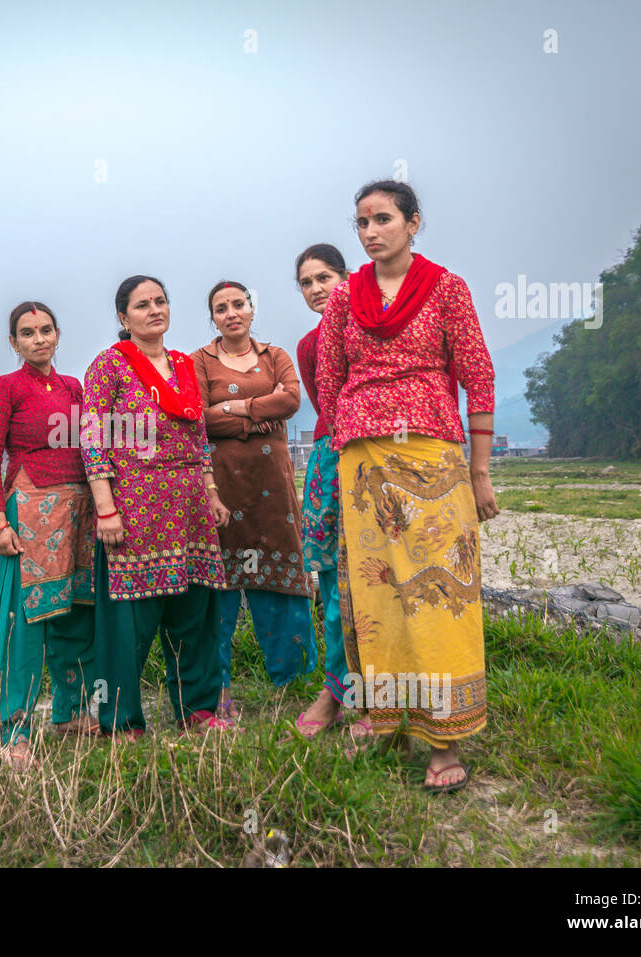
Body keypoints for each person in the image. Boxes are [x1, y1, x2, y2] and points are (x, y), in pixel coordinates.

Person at [317, 180, 498, 793]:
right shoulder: (343, 299)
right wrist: (351, 427)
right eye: (361, 222)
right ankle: (385, 712)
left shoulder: (447, 288)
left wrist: (480, 472)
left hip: (433, 459)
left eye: (383, 219)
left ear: (413, 223)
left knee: (439, 594)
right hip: (363, 464)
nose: (370, 231)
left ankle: (444, 738)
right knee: (376, 597)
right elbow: (331, 379)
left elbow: (478, 375)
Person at [82, 275, 234, 738]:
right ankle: (120, 717)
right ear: (123, 318)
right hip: (135, 507)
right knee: (130, 622)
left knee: (196, 613)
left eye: (161, 301)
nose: (154, 310)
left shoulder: (185, 365)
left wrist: (210, 493)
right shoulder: (108, 366)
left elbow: (198, 437)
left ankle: (198, 710)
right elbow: (93, 438)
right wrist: (105, 507)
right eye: (142, 304)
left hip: (188, 508)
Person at [0, 301, 99, 771]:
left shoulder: (73, 387)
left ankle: (69, 713)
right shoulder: (3, 389)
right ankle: (13, 730)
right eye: (28, 333)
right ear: (14, 343)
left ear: (58, 334)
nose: (39, 339)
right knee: (21, 626)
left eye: (46, 330)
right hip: (26, 513)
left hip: (77, 511)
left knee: (74, 612)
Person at [190, 281, 317, 720]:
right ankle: (216, 685)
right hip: (219, 486)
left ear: (251, 309)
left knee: (281, 574)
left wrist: (234, 410)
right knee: (218, 587)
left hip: (272, 489)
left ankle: (295, 681)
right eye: (221, 308)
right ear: (213, 317)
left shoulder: (274, 356)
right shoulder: (199, 362)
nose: (231, 313)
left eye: (238, 305)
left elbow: (291, 400)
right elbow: (197, 418)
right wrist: (255, 414)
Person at [292, 246, 352, 737]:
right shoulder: (309, 345)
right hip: (331, 457)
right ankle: (336, 690)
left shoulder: (373, 327)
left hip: (379, 454)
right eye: (307, 282)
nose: (316, 288)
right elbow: (326, 407)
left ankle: (386, 694)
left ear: (346, 277)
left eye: (324, 277)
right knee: (332, 577)